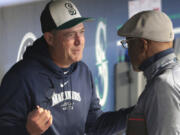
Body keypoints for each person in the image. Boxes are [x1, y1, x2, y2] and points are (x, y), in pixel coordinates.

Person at [0, 0, 133, 135]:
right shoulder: (21, 77)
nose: (79, 41)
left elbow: (95, 125)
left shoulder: (82, 72)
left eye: (81, 32)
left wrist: (139, 112)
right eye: (70, 34)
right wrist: (27, 131)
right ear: (50, 38)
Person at [117, 10, 180, 135]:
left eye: (128, 43)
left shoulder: (162, 85)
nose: (128, 52)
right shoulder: (175, 73)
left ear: (142, 45)